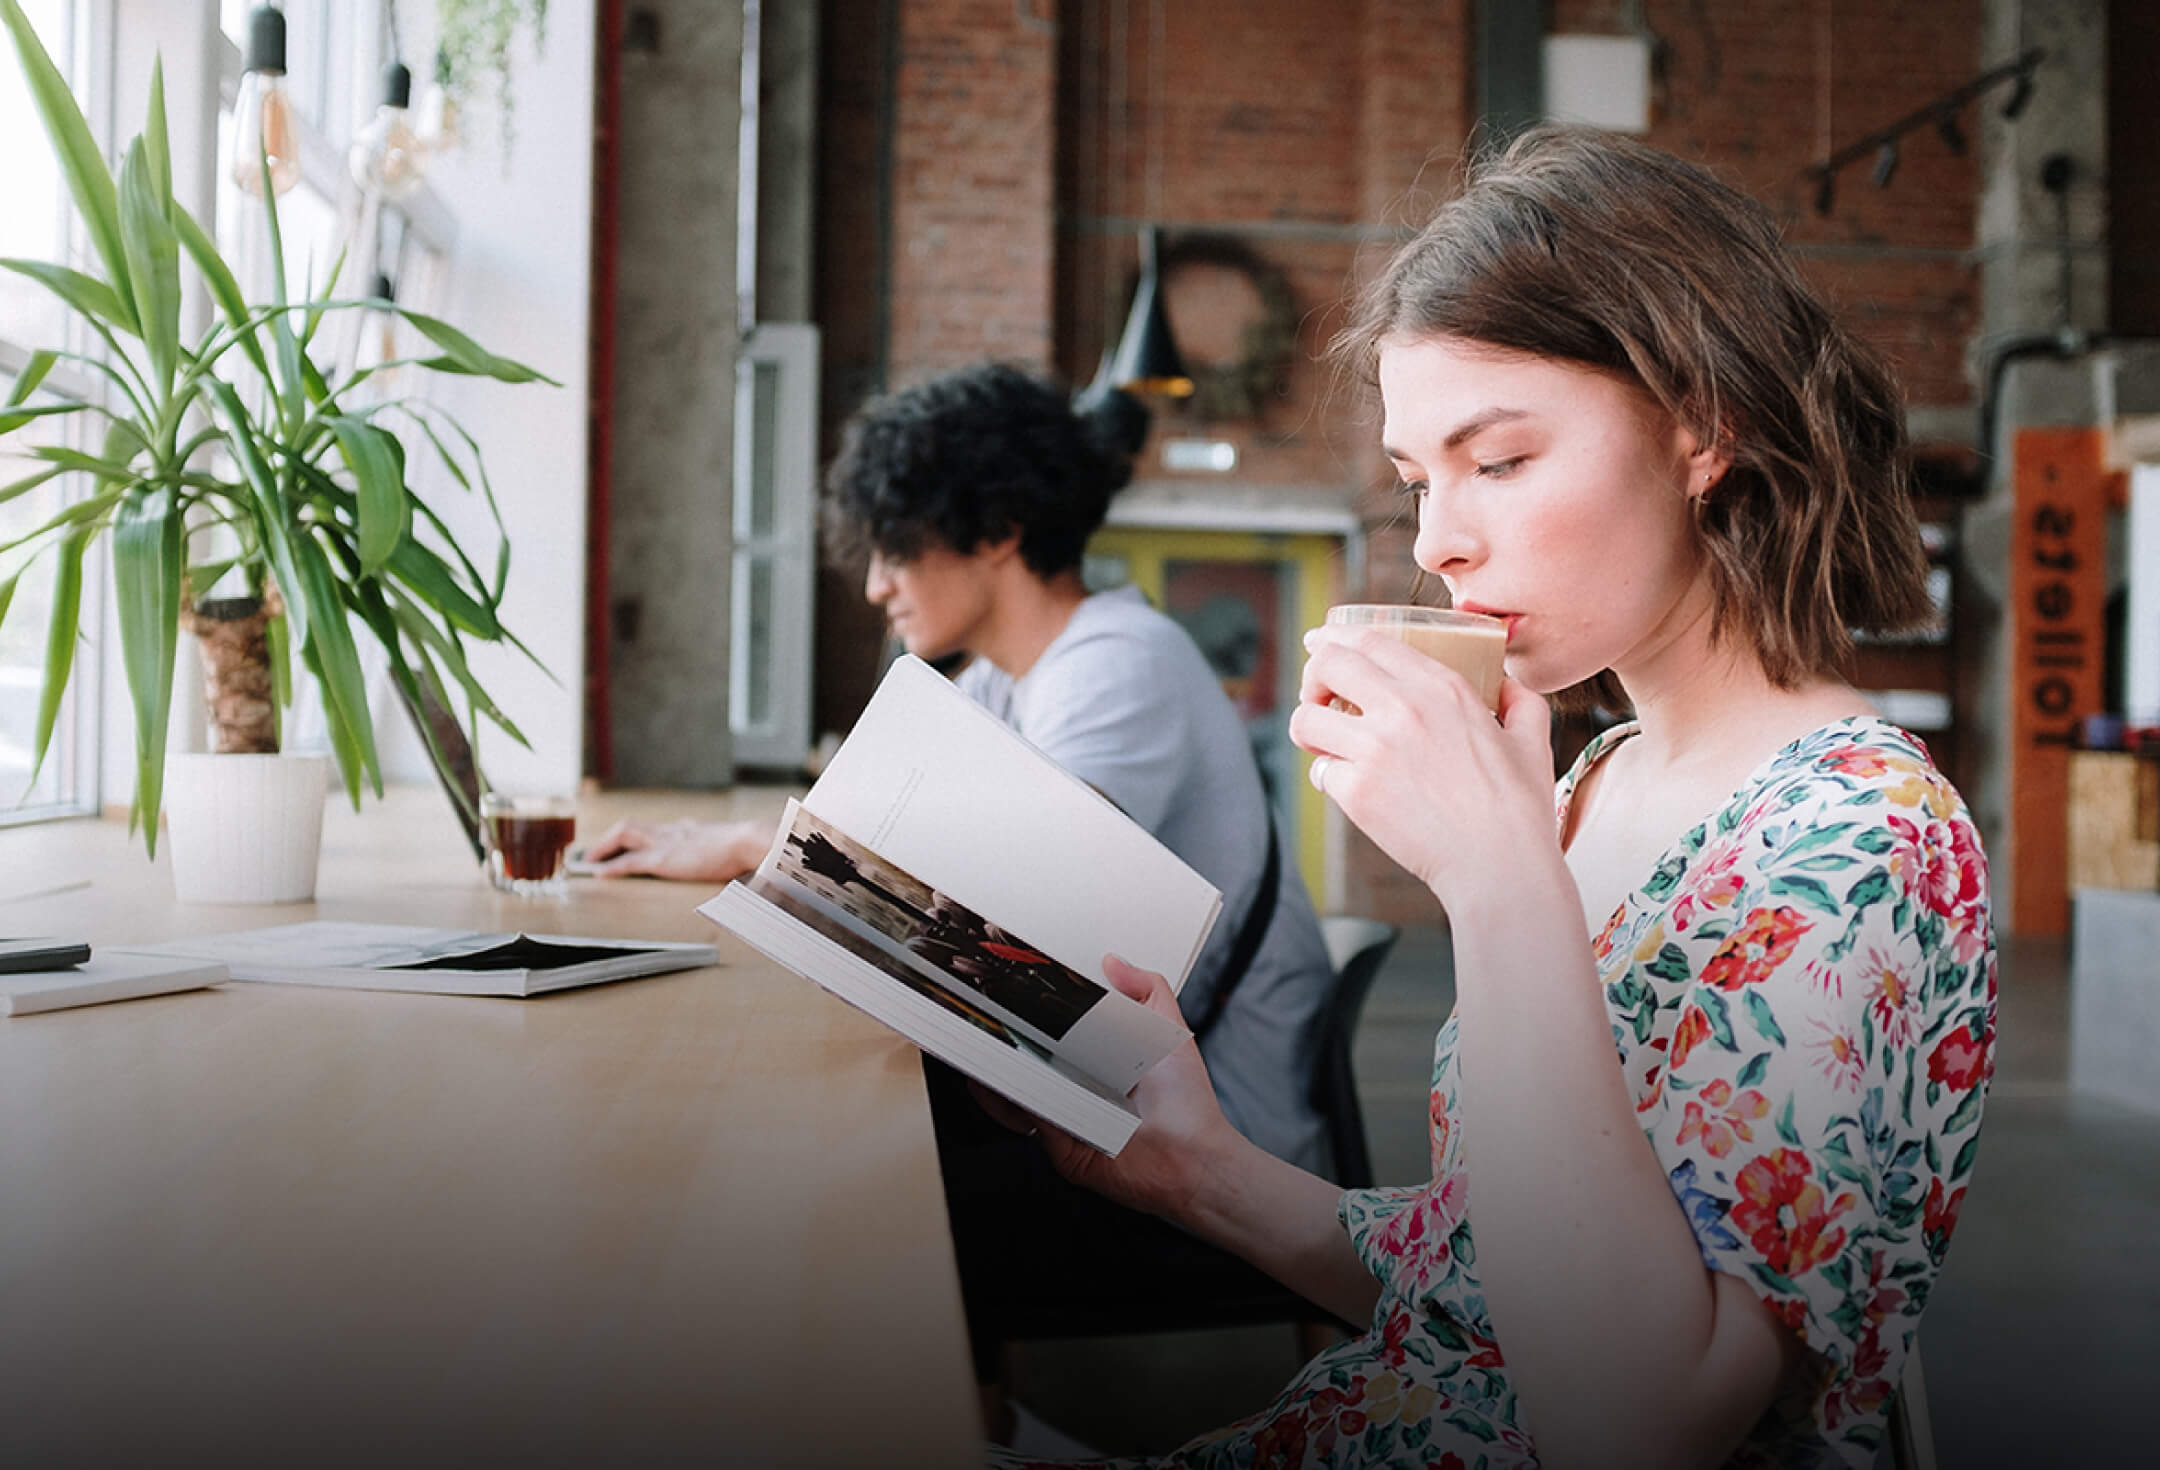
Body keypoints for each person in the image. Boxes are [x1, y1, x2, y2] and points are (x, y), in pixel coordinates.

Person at [988, 127, 1997, 1469]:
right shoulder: (1598, 778)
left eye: (1501, 459)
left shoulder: (1865, 837)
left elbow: (1635, 1423)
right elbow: (1498, 1299)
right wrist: (1197, 1168)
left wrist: (1495, 876)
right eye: (1420, 479)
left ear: (1703, 423)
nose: (1436, 539)